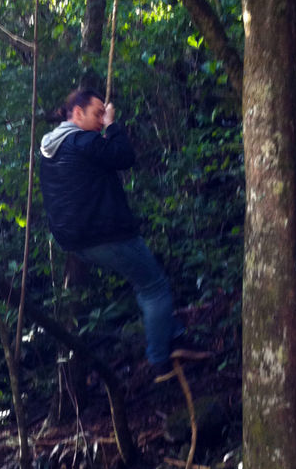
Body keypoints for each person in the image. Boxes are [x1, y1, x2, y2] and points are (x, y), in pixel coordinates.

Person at [40, 88, 204, 376]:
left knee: (145, 282)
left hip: (76, 241)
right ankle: (160, 359)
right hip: (105, 234)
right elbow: (124, 156)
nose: (102, 119)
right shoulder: (82, 140)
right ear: (77, 114)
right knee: (154, 288)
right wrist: (113, 125)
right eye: (97, 113)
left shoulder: (51, 150)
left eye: (104, 114)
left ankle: (175, 336)